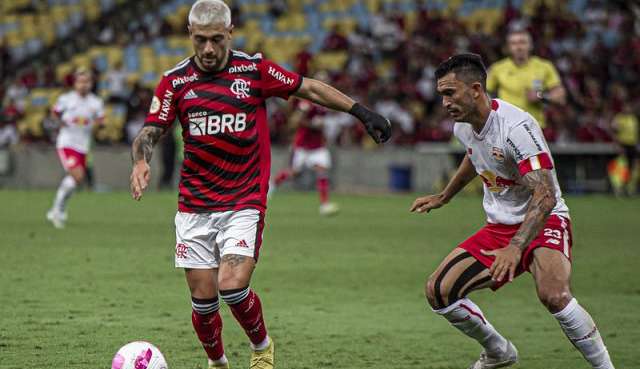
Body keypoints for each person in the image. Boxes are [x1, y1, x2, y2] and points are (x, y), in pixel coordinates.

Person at [128, 1, 391, 369]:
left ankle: (262, 346)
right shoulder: (175, 82)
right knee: (203, 303)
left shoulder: (253, 71)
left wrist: (360, 112)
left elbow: (309, 89)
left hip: (243, 200)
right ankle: (218, 363)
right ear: (190, 35)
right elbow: (151, 130)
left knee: (232, 285)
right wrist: (141, 160)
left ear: (230, 33)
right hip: (194, 205)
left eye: (216, 39)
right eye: (200, 40)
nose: (208, 49)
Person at [411, 54, 614, 369]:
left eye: (450, 93)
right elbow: (474, 157)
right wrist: (445, 195)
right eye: (441, 95)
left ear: (476, 89)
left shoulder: (516, 127)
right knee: (438, 291)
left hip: (544, 217)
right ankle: (498, 352)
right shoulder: (463, 126)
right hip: (500, 226)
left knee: (554, 295)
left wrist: (516, 247)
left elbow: (545, 196)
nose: (444, 102)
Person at [47, 68, 105, 228]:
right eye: (80, 82)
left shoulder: (96, 102)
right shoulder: (66, 99)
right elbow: (54, 114)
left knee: (75, 181)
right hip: (67, 143)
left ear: (91, 84)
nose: (83, 85)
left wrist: (99, 125)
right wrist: (60, 123)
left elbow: (101, 121)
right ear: (75, 84)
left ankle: (57, 209)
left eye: (86, 82)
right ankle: (57, 210)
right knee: (78, 176)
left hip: (83, 146)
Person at [271, 95, 339, 216]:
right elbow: (295, 121)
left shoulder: (324, 104)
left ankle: (324, 204)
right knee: (294, 173)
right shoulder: (306, 104)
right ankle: (271, 185)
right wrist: (312, 124)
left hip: (318, 146)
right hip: (303, 145)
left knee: (322, 172)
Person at [486, 28, 566, 131]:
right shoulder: (497, 68)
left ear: (530, 45)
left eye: (522, 42)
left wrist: (540, 96)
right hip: (506, 128)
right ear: (508, 47)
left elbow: (561, 97)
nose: (519, 47)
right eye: (514, 43)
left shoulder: (544, 66)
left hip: (535, 127)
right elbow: (482, 93)